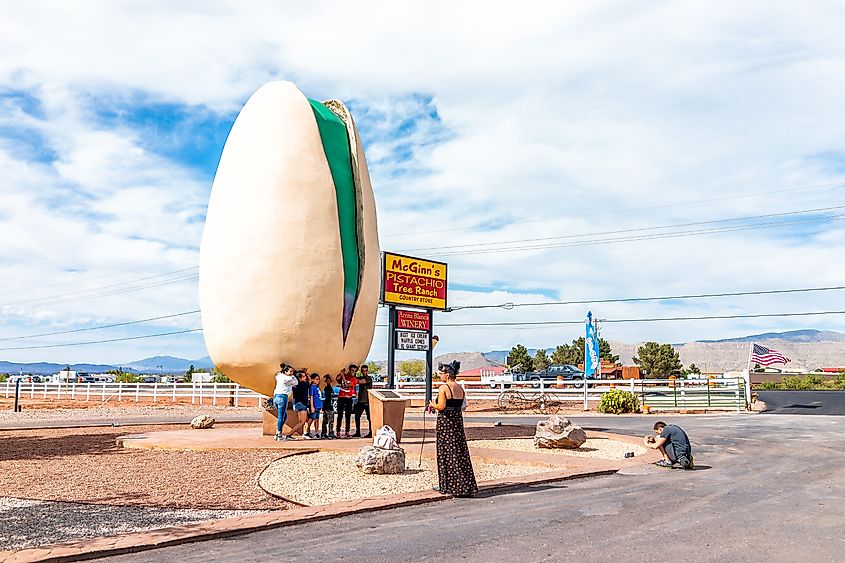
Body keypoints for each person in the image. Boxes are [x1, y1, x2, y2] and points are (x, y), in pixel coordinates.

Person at [427, 360, 477, 497]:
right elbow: (461, 406)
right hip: (457, 421)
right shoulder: (460, 388)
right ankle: (465, 485)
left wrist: (432, 404)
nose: (440, 376)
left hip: (446, 423)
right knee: (459, 451)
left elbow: (442, 406)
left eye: (441, 373)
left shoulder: (444, 388)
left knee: (446, 453)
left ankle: (447, 485)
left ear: (447, 375)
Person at [272, 364, 297, 441]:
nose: (292, 373)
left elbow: (278, 375)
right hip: (283, 397)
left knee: (284, 415)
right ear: (285, 371)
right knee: (281, 416)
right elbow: (296, 382)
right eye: (290, 371)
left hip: (276, 397)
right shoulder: (288, 379)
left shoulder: (279, 376)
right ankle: (279, 434)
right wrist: (293, 376)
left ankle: (278, 432)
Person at [285, 370, 310, 439]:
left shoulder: (295, 385)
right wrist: (307, 373)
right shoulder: (303, 384)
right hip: (302, 404)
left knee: (304, 420)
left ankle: (305, 433)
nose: (305, 377)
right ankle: (289, 435)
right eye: (304, 376)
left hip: (296, 404)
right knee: (302, 422)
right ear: (300, 378)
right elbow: (310, 381)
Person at [353, 363, 373, 438]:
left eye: (365, 371)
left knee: (369, 418)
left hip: (367, 401)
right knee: (357, 416)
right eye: (363, 371)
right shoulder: (360, 377)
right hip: (360, 401)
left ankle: (371, 432)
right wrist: (355, 372)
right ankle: (358, 432)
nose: (364, 372)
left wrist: (354, 376)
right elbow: (355, 379)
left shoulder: (368, 379)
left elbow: (359, 381)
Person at [336, 365, 356, 438]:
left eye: (354, 371)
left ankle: (347, 431)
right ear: (349, 370)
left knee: (348, 415)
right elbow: (337, 380)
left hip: (348, 398)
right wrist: (341, 374)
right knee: (340, 415)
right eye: (352, 370)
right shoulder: (345, 375)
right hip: (341, 397)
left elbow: (347, 385)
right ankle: (338, 431)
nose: (353, 372)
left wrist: (343, 376)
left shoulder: (354, 379)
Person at [306, 373, 323, 438]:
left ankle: (316, 432)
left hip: (318, 405)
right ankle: (307, 430)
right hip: (314, 405)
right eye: (316, 379)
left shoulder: (317, 387)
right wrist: (312, 406)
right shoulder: (312, 387)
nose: (318, 380)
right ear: (313, 380)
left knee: (317, 419)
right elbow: (311, 397)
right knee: (311, 418)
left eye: (318, 379)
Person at [321, 374, 336, 439]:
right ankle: (330, 433)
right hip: (328, 406)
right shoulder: (328, 388)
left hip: (326, 405)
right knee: (330, 421)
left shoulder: (328, 388)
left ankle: (324, 433)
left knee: (325, 421)